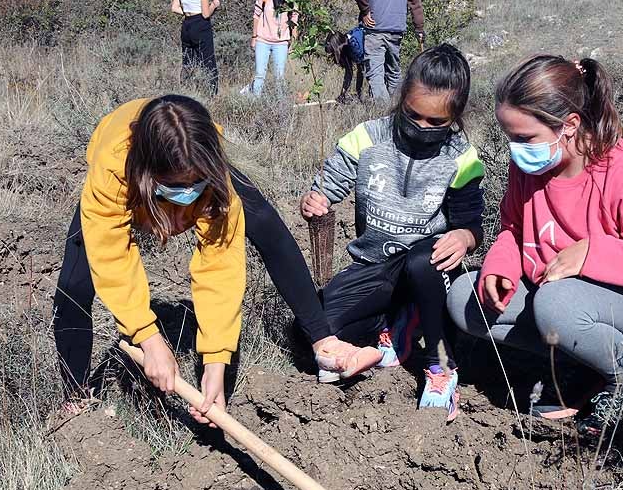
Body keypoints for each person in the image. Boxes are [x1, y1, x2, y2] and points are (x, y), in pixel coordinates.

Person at [52, 95, 381, 417]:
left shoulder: (206, 165)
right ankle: (77, 393)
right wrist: (149, 340)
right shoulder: (112, 173)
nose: (188, 193)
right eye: (178, 186)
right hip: (129, 173)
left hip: (191, 162)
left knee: (265, 223)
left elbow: (219, 267)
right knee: (75, 287)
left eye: (196, 184)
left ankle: (323, 341)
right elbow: (114, 260)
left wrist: (215, 363)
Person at [447, 55, 623, 437]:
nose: (515, 150)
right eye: (510, 137)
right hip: (565, 301)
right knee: (466, 298)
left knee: (555, 304)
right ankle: (582, 364)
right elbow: (514, 229)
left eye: (525, 138)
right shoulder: (528, 170)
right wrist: (501, 265)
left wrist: (591, 252)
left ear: (570, 125)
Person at [301, 45, 482, 420]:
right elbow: (329, 186)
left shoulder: (462, 158)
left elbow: (471, 224)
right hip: (375, 266)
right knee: (317, 325)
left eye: (437, 122)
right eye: (413, 115)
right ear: (401, 99)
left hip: (428, 269)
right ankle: (397, 326)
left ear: (456, 116)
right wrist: (315, 200)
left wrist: (464, 237)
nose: (422, 128)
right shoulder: (366, 137)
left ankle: (439, 365)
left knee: (422, 261)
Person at [352, 0, 426, 103]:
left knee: (375, 74)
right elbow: (414, 0)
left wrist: (365, 10)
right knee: (394, 72)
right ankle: (397, 108)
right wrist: (419, 28)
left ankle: (384, 112)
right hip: (397, 29)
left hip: (375, 29)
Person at [171, 0, 220, 95]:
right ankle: (212, 94)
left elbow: (174, 8)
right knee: (208, 62)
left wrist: (187, 12)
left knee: (188, 62)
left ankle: (185, 92)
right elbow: (206, 13)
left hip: (186, 24)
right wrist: (214, 4)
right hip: (201, 25)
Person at [246, 0, 298, 97]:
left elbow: (294, 23)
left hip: (281, 43)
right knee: (259, 74)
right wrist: (254, 37)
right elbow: (256, 16)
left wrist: (294, 43)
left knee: (279, 77)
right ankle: (255, 102)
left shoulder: (292, 0)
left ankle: (280, 105)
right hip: (262, 40)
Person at [324, 31, 365, 104]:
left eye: (333, 52)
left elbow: (361, 70)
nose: (332, 56)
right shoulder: (344, 46)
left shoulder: (354, 45)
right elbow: (349, 73)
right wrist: (342, 94)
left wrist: (359, 91)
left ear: (337, 48)